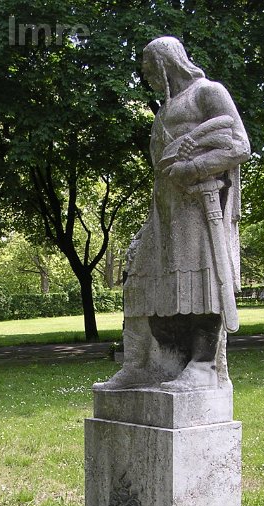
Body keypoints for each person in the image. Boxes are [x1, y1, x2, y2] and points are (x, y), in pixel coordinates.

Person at [99, 36, 250, 391]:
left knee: (202, 283)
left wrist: (194, 168)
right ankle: (143, 364)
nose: (146, 76)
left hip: (200, 205)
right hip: (165, 209)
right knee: (141, 279)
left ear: (167, 63)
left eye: (149, 68)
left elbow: (239, 143)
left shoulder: (208, 92)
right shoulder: (165, 109)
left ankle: (203, 366)